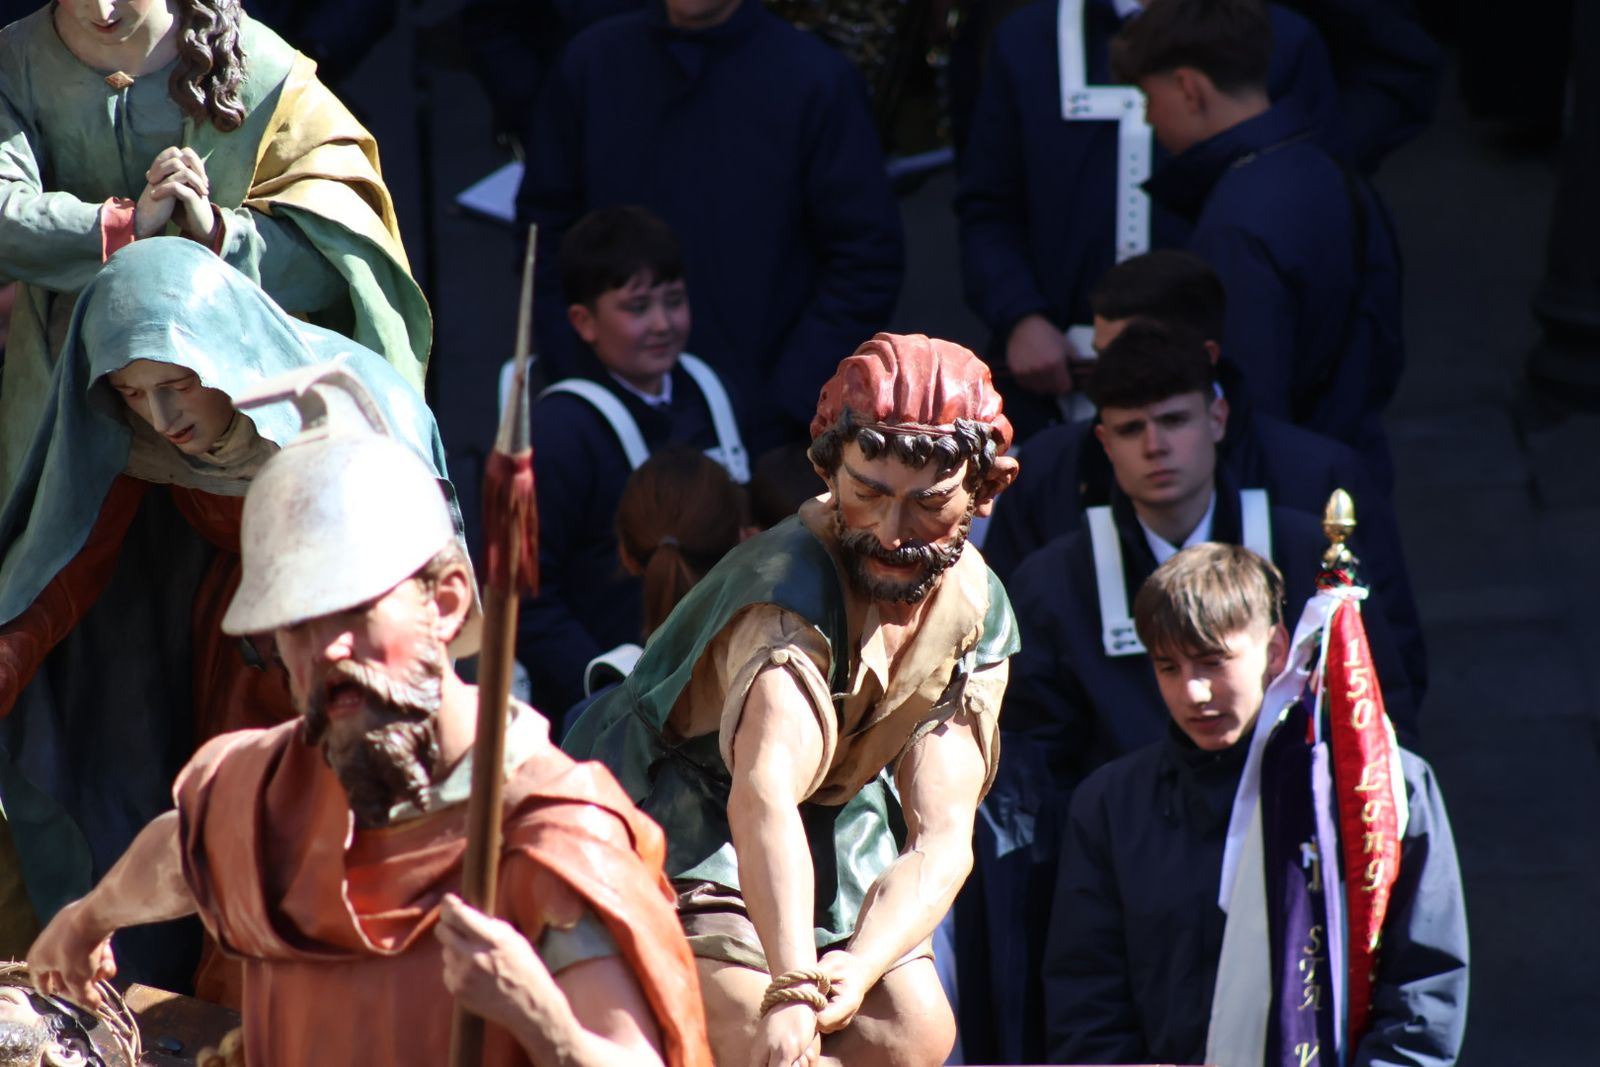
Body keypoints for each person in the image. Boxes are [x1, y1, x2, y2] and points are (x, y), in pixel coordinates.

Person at [25, 370, 713, 1067]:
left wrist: (543, 1021)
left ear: (444, 604)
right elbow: (185, 849)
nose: (327, 650)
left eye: (353, 609)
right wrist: (88, 919)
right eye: (294, 624)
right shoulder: (269, 784)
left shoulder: (551, 833)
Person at [0, 238, 454, 982]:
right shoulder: (134, 439)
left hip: (370, 672)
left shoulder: (348, 412)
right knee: (242, 871)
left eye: (179, 382)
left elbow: (414, 587)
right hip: (241, 654)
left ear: (227, 352)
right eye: (132, 392)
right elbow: (69, 556)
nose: (162, 415)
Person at [563, 333, 1020, 1066]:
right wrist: (792, 986)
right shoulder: (787, 596)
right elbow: (763, 793)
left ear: (986, 490)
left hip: (835, 817)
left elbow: (942, 837)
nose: (892, 533)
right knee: (760, 1032)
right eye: (867, 492)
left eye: (928, 504)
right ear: (827, 468)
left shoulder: (977, 608)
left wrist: (862, 963)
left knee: (915, 1032)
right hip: (680, 810)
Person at [1041, 543, 1468, 1065]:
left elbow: (1423, 993)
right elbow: (1086, 999)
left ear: (1276, 650)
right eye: (1168, 667)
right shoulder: (1110, 805)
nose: (1194, 692)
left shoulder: (1382, 786)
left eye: (1213, 661)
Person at [0, 0, 430, 498]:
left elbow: (345, 244)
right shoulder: (15, 63)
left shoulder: (265, 72)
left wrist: (218, 235)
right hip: (78, 405)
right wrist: (123, 225)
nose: (102, 9)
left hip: (244, 405)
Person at [980, 250, 1427, 698]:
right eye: (1106, 357)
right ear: (1106, 439)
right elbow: (1013, 682)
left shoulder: (1317, 485)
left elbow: (1383, 676)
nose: (1154, 444)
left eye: (1174, 419)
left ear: (1216, 412)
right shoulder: (1047, 478)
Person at [516, 0, 904, 453]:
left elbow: (865, 258)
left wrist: (789, 401)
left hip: (773, 434)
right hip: (606, 423)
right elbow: (543, 236)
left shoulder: (816, 79)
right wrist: (581, 372)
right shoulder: (591, 63)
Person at [954, 0, 1343, 438]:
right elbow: (989, 207)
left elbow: (1311, 226)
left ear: (1187, 88)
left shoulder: (1276, 38)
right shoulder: (1025, 40)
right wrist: (1019, 314)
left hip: (1225, 392)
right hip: (1055, 392)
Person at [1110, 0, 1403, 484]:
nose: (1151, 121)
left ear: (1188, 87)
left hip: (1292, 495)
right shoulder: (1332, 172)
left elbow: (1250, 409)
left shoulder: (1235, 226)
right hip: (1355, 464)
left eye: (1148, 100)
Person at [520, 206, 749, 716]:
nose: (663, 324)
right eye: (638, 307)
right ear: (584, 321)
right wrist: (608, 689)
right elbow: (528, 605)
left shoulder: (713, 390)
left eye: (674, 301)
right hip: (609, 704)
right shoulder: (560, 432)